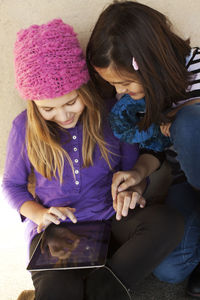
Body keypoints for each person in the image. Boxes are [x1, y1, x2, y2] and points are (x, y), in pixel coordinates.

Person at [2, 18, 183, 300]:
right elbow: (12, 185)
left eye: (71, 102)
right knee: (58, 291)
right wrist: (39, 214)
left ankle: (106, 286)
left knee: (168, 221)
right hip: (57, 232)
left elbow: (131, 174)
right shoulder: (23, 127)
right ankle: (98, 285)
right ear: (34, 104)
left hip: (112, 221)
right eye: (48, 108)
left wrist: (133, 190)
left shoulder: (113, 116)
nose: (63, 116)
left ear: (84, 88)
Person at [86, 0, 200, 297]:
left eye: (124, 84)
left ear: (152, 63)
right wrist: (138, 172)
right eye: (114, 86)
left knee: (188, 123)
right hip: (187, 183)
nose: (119, 93)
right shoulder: (145, 95)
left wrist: (183, 113)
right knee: (170, 269)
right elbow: (160, 149)